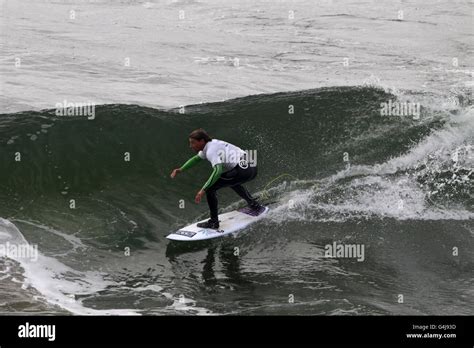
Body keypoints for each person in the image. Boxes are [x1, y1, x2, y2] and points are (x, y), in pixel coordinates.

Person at [170, 128, 263, 229]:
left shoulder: (210, 151)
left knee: (210, 188)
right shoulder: (211, 144)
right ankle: (253, 204)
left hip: (243, 170)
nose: (191, 146)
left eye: (193, 143)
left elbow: (217, 171)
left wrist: (203, 189)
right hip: (251, 167)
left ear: (202, 141)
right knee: (231, 181)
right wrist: (181, 169)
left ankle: (214, 222)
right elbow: (196, 159)